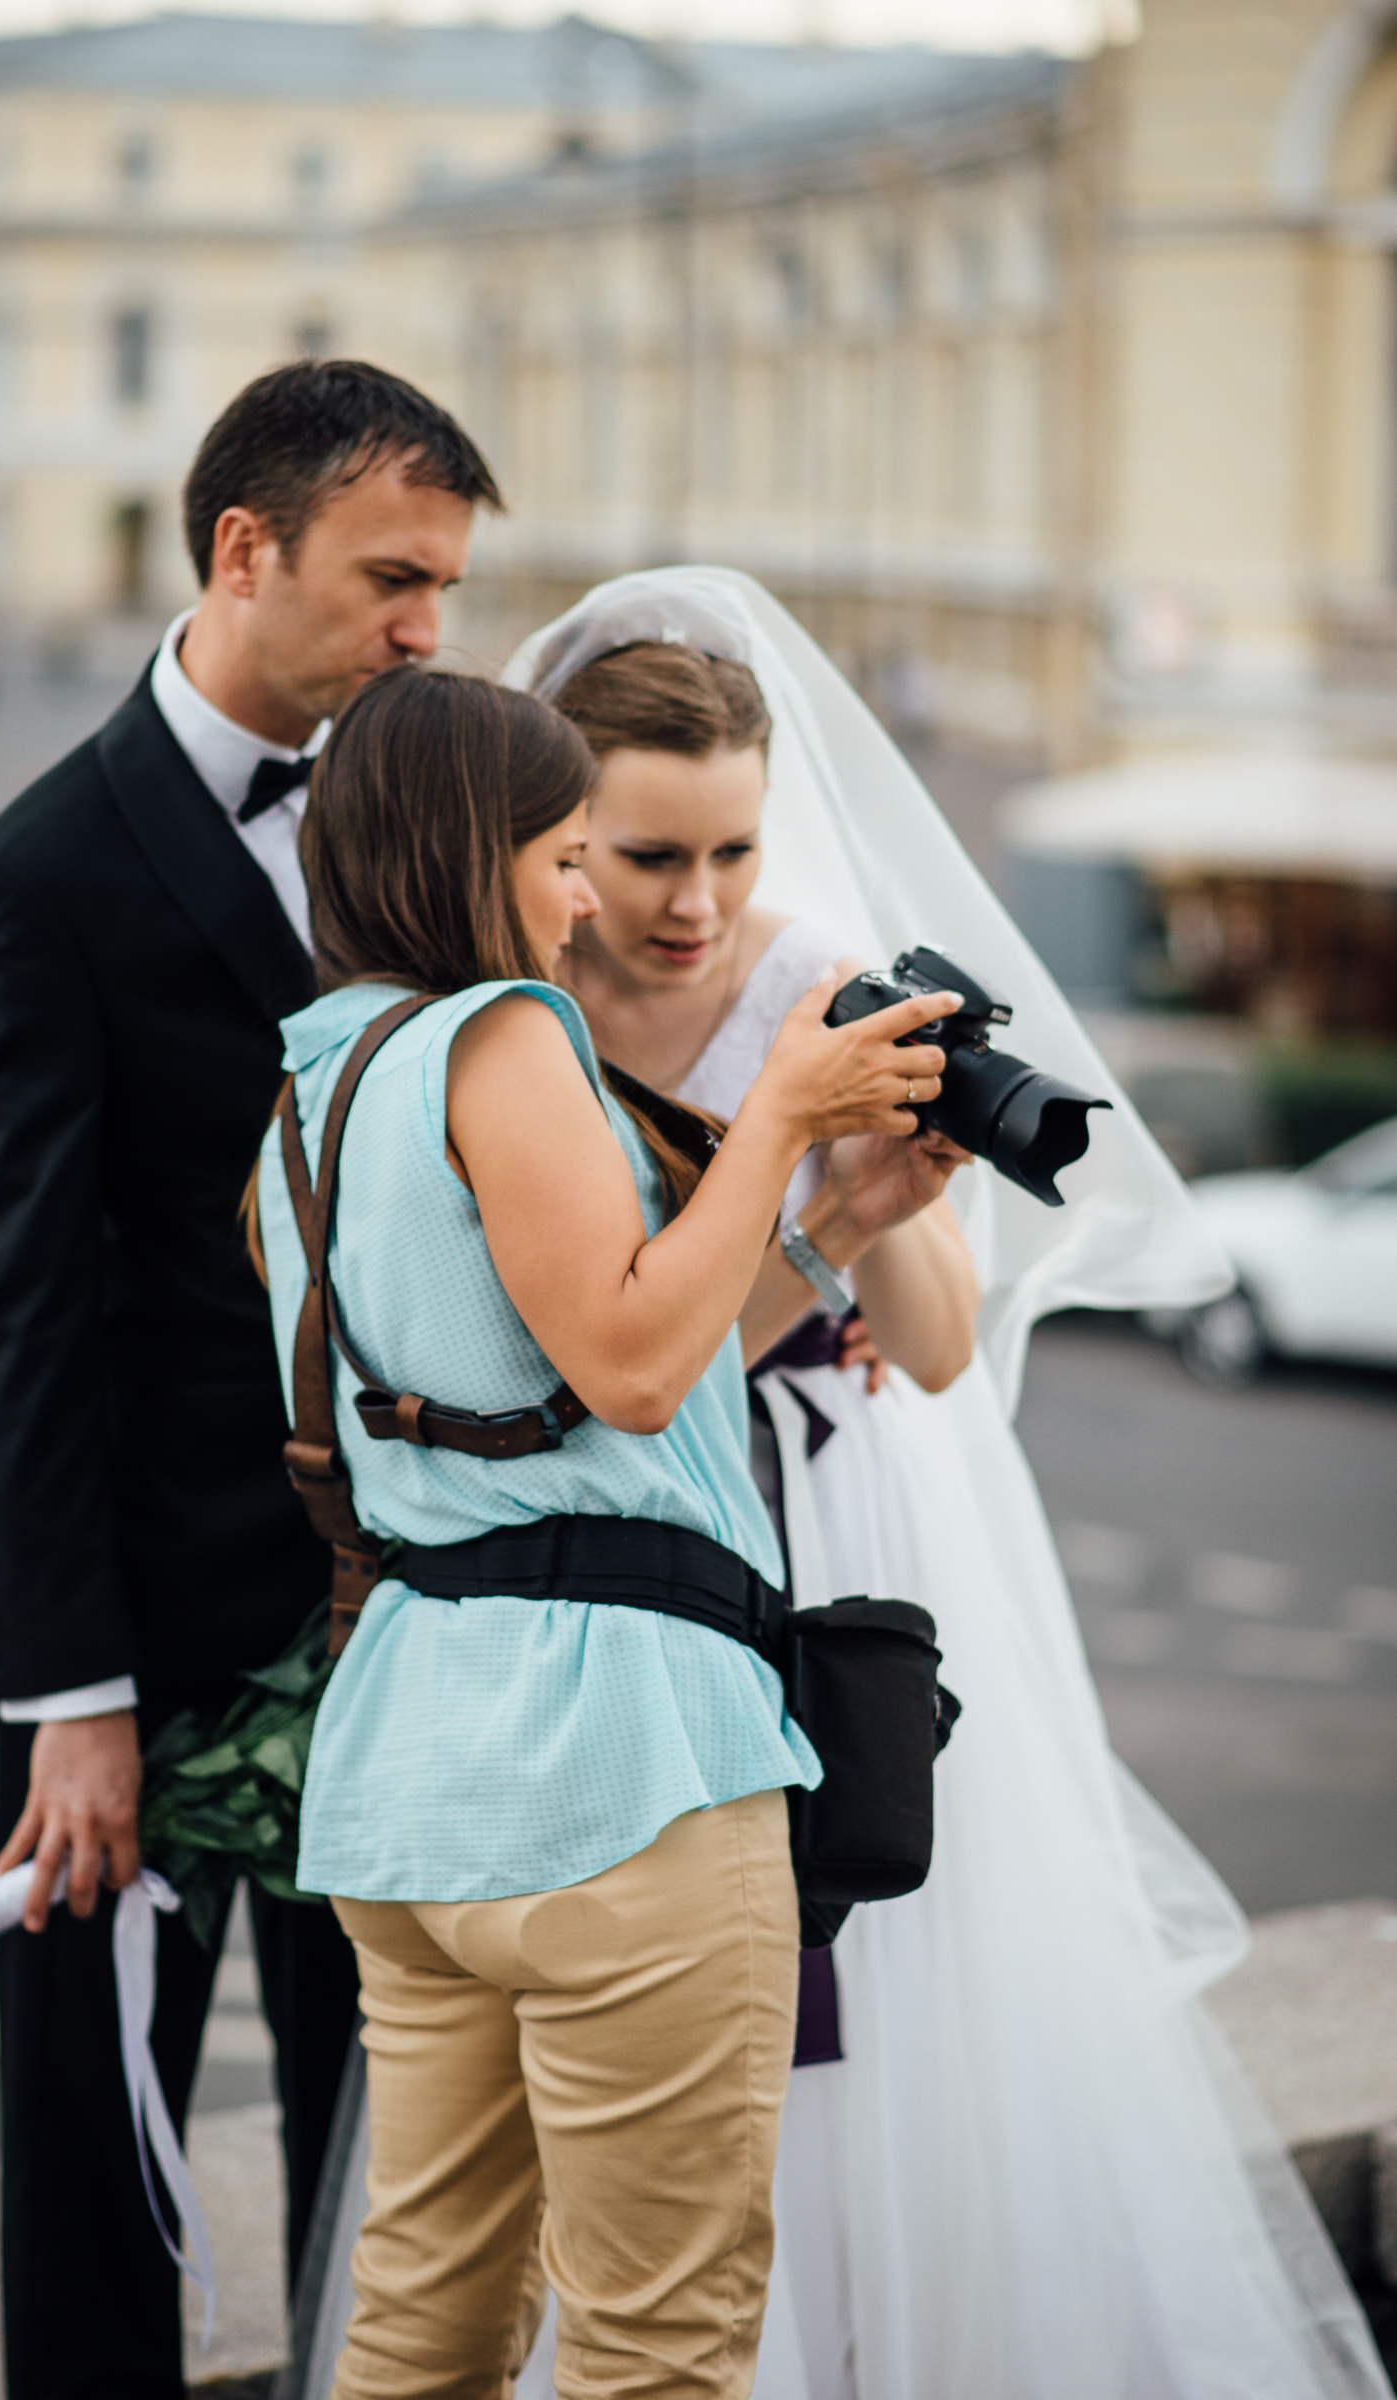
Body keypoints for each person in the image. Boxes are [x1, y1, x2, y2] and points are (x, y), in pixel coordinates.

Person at [505, 567, 1394, 2400]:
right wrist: (804, 1225)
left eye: (732, 854)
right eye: (649, 856)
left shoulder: (819, 980)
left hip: (839, 1538)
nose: (697, 906)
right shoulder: (512, 1020)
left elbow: (924, 1345)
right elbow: (608, 1372)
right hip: (623, 1529)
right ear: (560, 831)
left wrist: (873, 1205)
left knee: (893, 1984)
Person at [251, 666, 965, 2399]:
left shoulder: (313, 1084)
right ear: (464, 851)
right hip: (620, 1773)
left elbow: (557, 1383)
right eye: (565, 855)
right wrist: (787, 1116)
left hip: (418, 1777)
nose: (583, 898)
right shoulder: (505, 1036)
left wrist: (820, 1239)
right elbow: (641, 1375)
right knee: (658, 2347)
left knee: (423, 2321)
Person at [0, 359, 502, 2400]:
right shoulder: (36, 874)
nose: (429, 628)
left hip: (414, 1628)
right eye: (392, 579)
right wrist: (68, 1704)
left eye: (445, 584)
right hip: (142, 1649)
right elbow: (17, 1309)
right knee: (100, 2182)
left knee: (405, 2170)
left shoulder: (431, 811)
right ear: (240, 550)